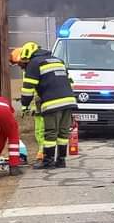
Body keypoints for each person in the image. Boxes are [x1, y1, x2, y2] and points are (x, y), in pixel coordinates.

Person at [18, 41, 76, 169]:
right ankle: (61, 160)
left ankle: (48, 161)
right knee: (63, 133)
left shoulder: (34, 63)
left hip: (52, 102)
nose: (24, 66)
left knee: (50, 133)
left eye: (24, 63)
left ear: (28, 56)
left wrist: (25, 106)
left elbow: (27, 89)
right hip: (69, 100)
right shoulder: (58, 60)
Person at [10, 46, 45, 168]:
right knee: (40, 131)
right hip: (39, 104)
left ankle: (42, 155)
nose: (19, 66)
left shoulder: (32, 69)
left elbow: (30, 90)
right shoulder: (32, 68)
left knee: (41, 132)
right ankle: (45, 154)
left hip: (42, 104)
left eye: (19, 63)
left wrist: (25, 106)